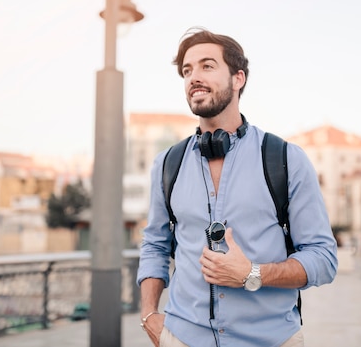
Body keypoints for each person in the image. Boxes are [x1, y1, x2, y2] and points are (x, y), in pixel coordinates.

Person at [137, 28, 338, 347]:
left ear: (238, 78)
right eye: (187, 71)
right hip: (181, 338)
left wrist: (253, 273)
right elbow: (155, 245)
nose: (194, 77)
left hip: (270, 341)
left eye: (207, 65)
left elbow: (323, 259)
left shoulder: (286, 159)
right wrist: (149, 314)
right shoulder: (167, 164)